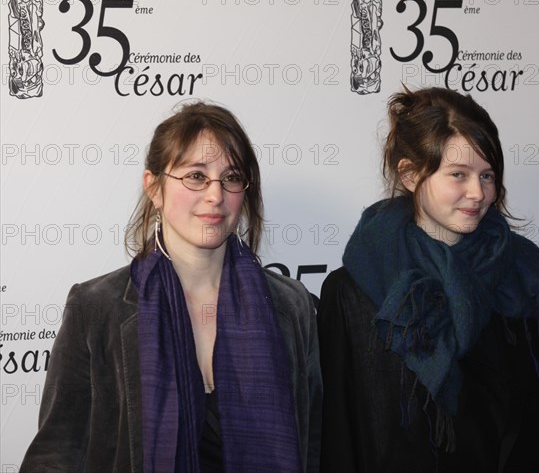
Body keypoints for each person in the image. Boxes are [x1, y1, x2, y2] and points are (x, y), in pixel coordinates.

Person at [20, 102, 322, 473]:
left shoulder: (291, 306)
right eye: (195, 176)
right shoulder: (96, 307)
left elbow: (313, 447)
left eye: (231, 177)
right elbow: (56, 456)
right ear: (154, 188)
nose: (215, 195)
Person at [317, 87, 539, 472]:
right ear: (411, 174)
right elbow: (339, 440)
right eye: (458, 175)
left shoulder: (530, 282)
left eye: (487, 176)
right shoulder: (353, 294)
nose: (477, 193)